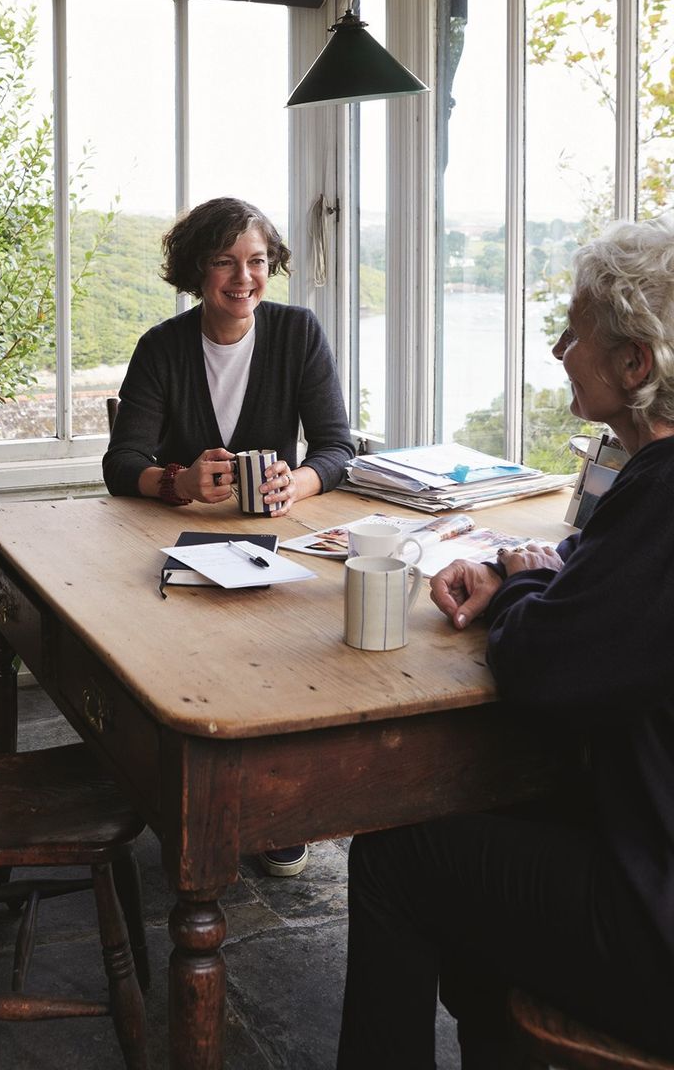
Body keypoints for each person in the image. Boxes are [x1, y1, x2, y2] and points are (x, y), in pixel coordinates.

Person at [335, 212, 674, 1068]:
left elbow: (537, 671)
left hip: (658, 931)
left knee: (398, 853)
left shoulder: (662, 497)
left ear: (635, 364)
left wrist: (523, 580)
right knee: (488, 826)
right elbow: (620, 618)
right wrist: (542, 579)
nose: (559, 348)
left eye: (575, 331)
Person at [104, 196, 354, 876]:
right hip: (182, 544)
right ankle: (196, 798)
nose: (243, 278)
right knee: (197, 669)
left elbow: (337, 448)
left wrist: (295, 484)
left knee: (291, 659)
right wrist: (177, 482)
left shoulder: (299, 333)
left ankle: (278, 812)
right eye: (224, 262)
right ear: (196, 271)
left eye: (257, 262)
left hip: (277, 539)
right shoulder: (162, 347)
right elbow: (121, 463)